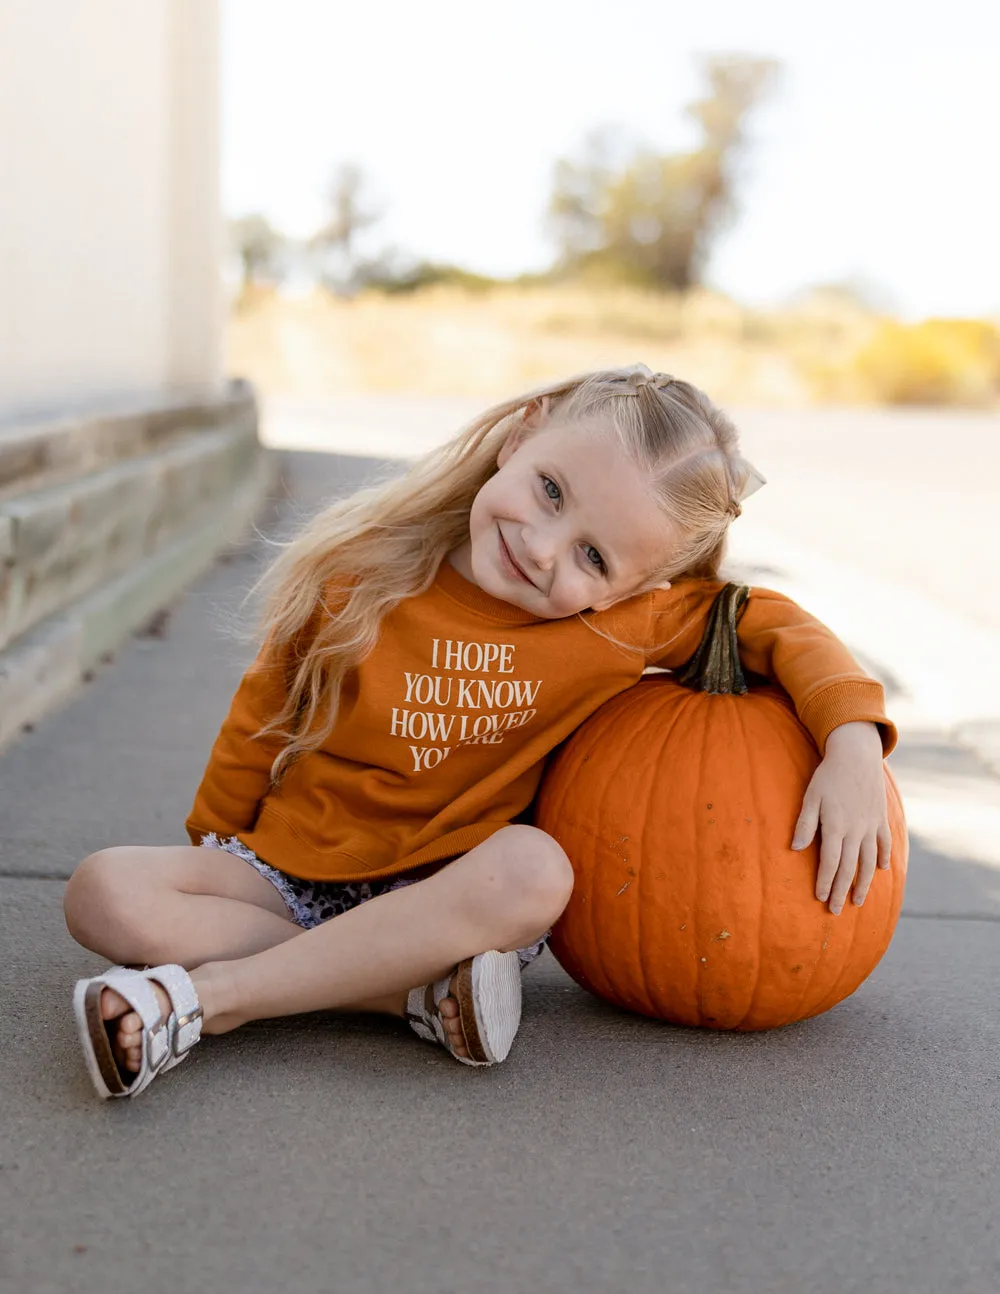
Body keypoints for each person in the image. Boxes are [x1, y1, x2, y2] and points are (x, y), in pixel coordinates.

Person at [65, 364, 897, 1099]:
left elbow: (771, 623)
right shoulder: (367, 571)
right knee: (103, 890)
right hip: (295, 867)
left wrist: (853, 740)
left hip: (451, 893)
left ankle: (211, 1002)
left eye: (594, 559)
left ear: (634, 588)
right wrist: (212, 842)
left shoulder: (623, 626)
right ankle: (410, 995)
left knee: (537, 870)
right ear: (521, 435)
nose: (543, 549)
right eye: (551, 491)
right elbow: (266, 713)